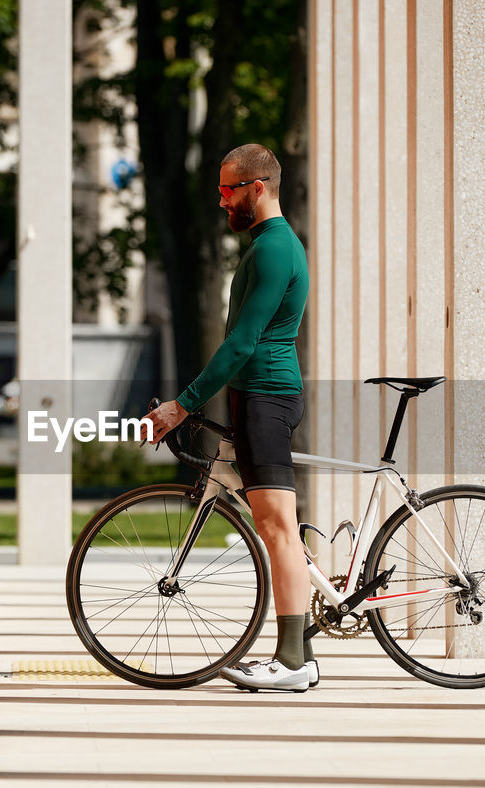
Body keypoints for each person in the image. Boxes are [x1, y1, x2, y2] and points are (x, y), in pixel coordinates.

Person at [146, 143, 315, 692]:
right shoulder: (269, 245)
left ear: (257, 187)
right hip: (257, 396)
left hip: (266, 395)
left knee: (277, 529)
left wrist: (182, 404)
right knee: (277, 528)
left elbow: (242, 343)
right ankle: (300, 651)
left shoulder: (273, 250)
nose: (222, 201)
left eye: (228, 190)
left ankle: (292, 663)